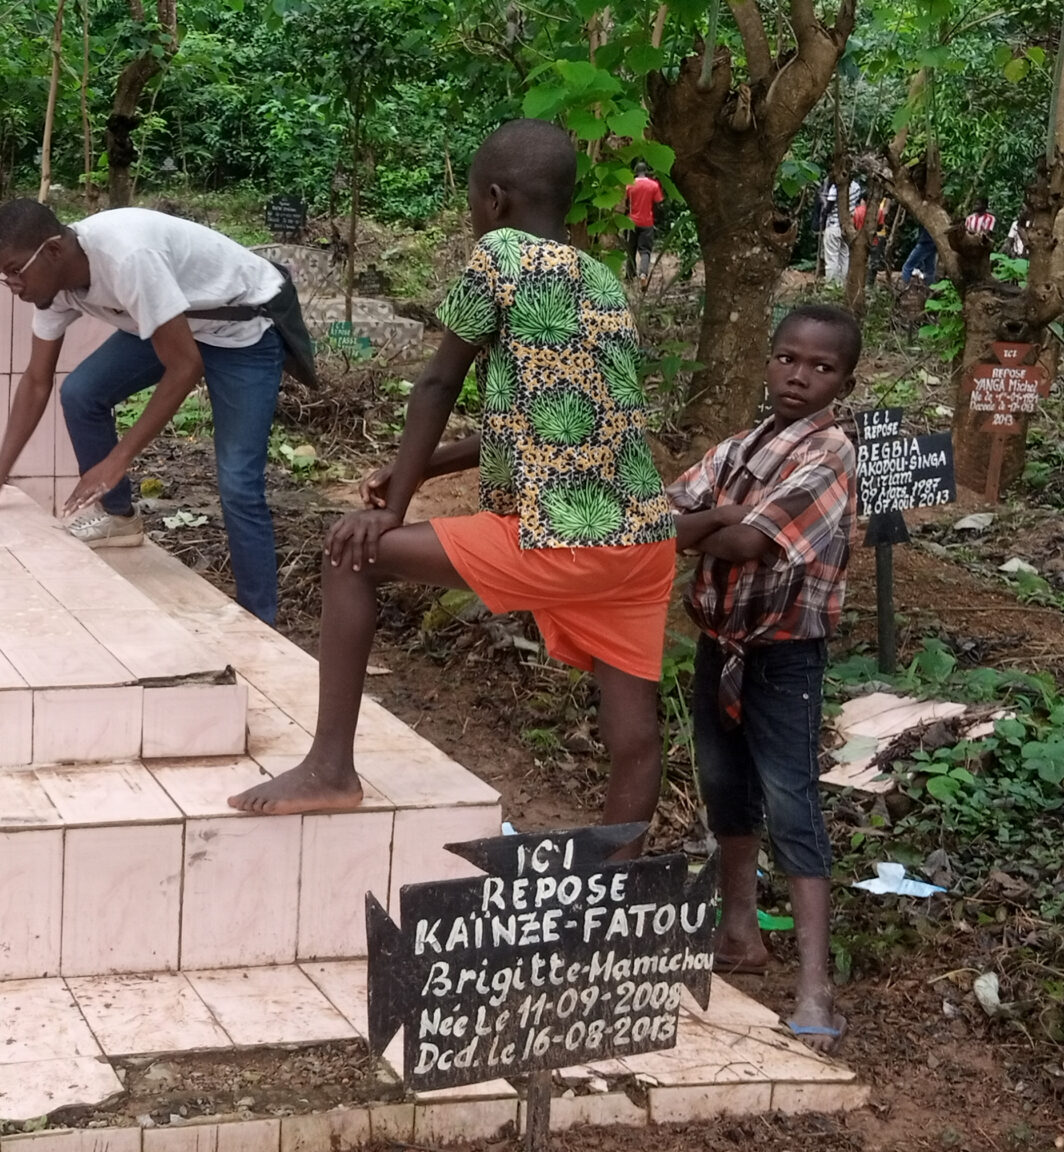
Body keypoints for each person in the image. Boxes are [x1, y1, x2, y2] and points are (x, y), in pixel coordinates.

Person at [226, 120, 675, 821]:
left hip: (563, 538)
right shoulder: (600, 280)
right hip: (644, 542)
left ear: (494, 199)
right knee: (635, 736)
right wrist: (422, 468)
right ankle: (618, 875)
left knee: (351, 557)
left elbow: (438, 383)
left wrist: (391, 510)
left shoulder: (500, 254)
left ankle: (329, 769)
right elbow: (558, 421)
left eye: (472, 200)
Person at [667, 303, 862, 1055]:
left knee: (791, 801)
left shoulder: (832, 453)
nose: (799, 376)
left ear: (844, 381)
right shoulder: (740, 447)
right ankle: (739, 930)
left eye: (820, 367)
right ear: (768, 359)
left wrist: (719, 521)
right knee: (725, 786)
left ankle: (815, 985)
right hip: (720, 643)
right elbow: (659, 516)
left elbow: (748, 543)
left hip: (783, 654)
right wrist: (725, 515)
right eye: (787, 358)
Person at [0, 199, 291, 623]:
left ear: (53, 250)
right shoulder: (55, 288)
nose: (13, 284)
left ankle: (259, 619)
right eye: (5, 275)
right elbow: (37, 380)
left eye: (17, 270)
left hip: (243, 328)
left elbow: (184, 367)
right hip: (173, 320)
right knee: (81, 392)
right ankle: (119, 518)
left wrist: (117, 459)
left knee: (238, 481)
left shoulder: (128, 257)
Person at [624, 160, 665, 283]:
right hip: (647, 222)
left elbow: (626, 204)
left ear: (636, 173)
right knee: (645, 251)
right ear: (646, 172)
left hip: (631, 222)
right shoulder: (654, 185)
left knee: (631, 250)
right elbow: (658, 204)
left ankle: (629, 277)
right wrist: (656, 219)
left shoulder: (629, 185)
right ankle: (643, 274)